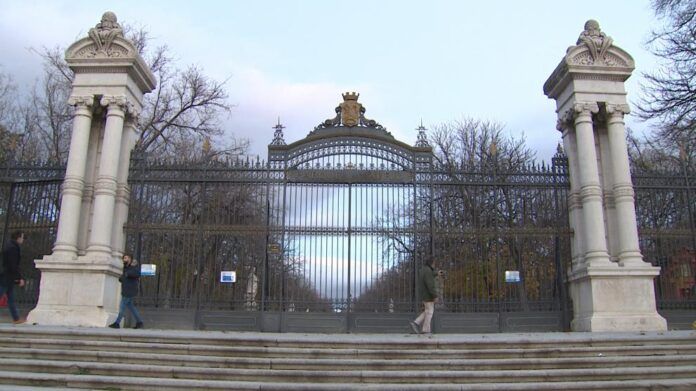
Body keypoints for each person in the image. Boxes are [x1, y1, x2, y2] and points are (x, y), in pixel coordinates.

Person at [109, 253, 144, 329]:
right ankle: (140, 322)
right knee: (131, 307)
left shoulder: (133, 267)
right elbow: (125, 276)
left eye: (126, 258)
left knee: (122, 307)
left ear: (130, 259)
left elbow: (137, 274)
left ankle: (117, 323)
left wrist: (127, 274)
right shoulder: (126, 267)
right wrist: (122, 278)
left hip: (130, 291)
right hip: (126, 290)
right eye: (124, 258)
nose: (124, 259)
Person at [0, 231, 26, 324]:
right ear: (18, 238)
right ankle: (16, 318)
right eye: (22, 237)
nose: (23, 240)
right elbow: (13, 265)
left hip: (7, 276)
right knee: (6, 295)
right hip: (7, 276)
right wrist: (19, 278)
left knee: (11, 298)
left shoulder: (10, 246)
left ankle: (16, 318)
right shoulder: (13, 248)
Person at [410, 257, 439, 334]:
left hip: (424, 294)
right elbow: (430, 284)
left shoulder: (423, 270)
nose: (435, 265)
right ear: (431, 263)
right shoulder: (428, 271)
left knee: (427, 311)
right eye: (434, 263)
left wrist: (437, 273)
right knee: (430, 312)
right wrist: (435, 295)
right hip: (428, 295)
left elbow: (429, 276)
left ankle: (416, 323)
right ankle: (426, 330)